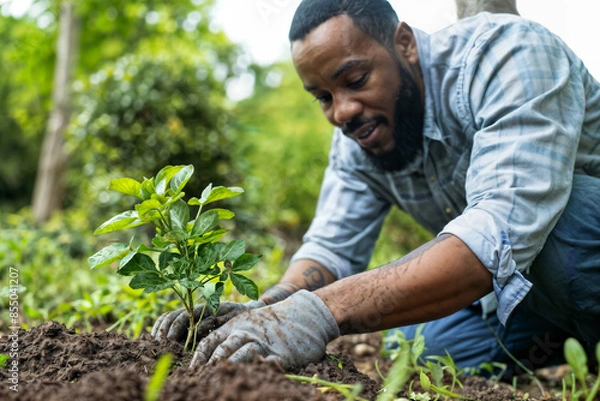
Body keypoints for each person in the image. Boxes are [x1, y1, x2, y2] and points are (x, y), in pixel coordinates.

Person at [152, 0, 600, 374]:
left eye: (355, 80)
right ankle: (579, 338)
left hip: (575, 247)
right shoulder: (362, 130)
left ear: (403, 44)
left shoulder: (506, 55)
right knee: (419, 344)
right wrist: (267, 309)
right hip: (541, 285)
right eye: (323, 97)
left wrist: (320, 313)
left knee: (561, 227)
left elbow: (496, 236)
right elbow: (331, 247)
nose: (341, 112)